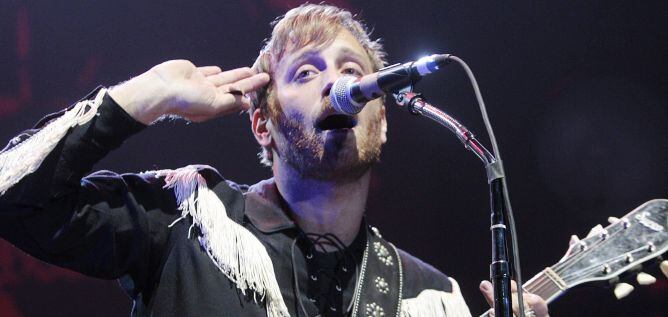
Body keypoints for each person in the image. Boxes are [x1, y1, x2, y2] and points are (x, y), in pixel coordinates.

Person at [0, 4, 548, 317]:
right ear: (262, 122)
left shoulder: (429, 296)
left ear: (381, 117)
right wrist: (152, 94)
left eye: (353, 71)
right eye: (305, 73)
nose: (338, 82)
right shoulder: (188, 221)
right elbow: (15, 200)